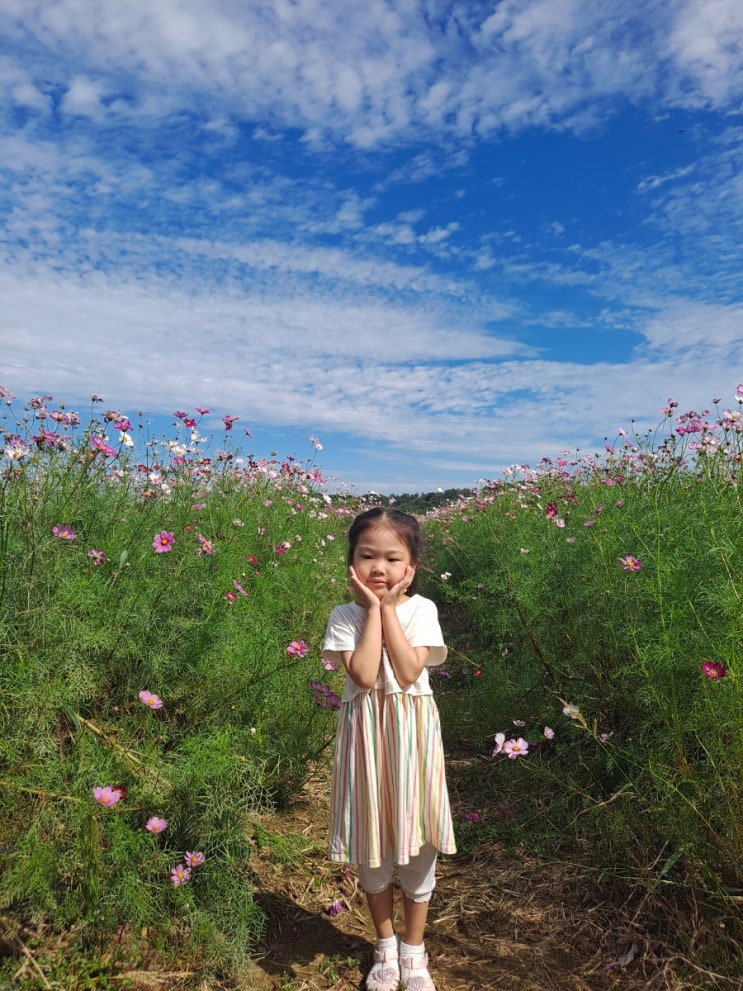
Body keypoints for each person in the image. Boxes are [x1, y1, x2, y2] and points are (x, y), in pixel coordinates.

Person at [322, 507, 456, 991]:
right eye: (367, 556)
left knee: (419, 841)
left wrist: (389, 609)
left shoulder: (422, 611)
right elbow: (362, 674)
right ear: (352, 562)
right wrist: (374, 610)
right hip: (366, 743)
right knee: (371, 841)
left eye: (392, 558)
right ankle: (385, 945)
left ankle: (414, 950)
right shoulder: (344, 616)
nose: (379, 568)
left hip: (412, 742)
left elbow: (406, 671)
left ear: (411, 568)